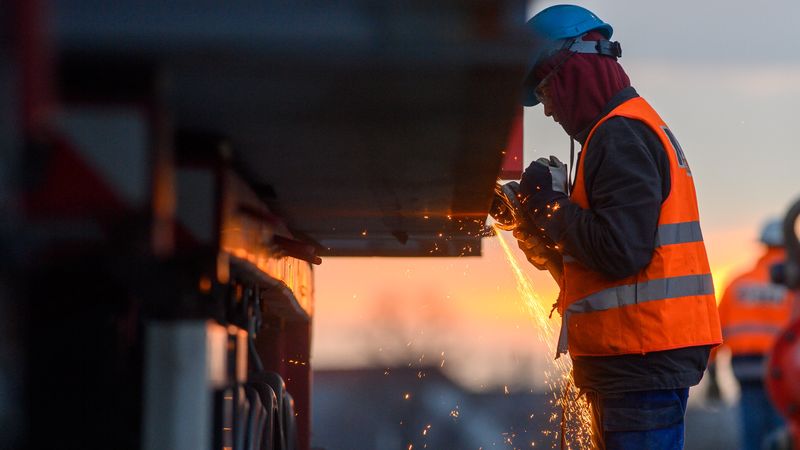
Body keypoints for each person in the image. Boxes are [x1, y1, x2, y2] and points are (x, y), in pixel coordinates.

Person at [513, 5, 722, 449]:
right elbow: (611, 259)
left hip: (640, 361)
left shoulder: (620, 135)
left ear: (571, 72)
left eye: (546, 92)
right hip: (638, 360)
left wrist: (550, 206)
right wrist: (545, 229)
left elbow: (620, 252)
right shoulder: (623, 131)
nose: (548, 111)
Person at [709, 219, 795, 450]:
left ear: (763, 245)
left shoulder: (737, 282)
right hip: (785, 373)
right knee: (786, 437)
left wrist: (712, 373)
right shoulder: (794, 286)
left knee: (754, 438)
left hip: (746, 372)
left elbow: (715, 331)